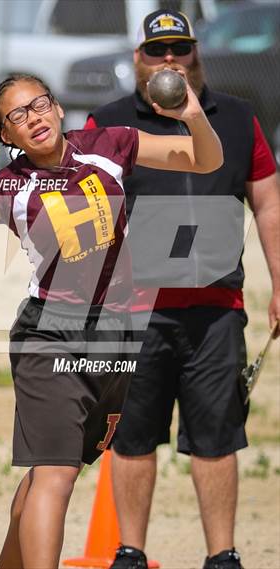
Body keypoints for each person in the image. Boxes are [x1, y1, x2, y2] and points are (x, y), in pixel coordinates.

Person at [0, 72, 222, 569]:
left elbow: (204, 159)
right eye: (16, 116)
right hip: (51, 334)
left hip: (114, 335)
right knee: (57, 475)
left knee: (49, 472)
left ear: (58, 107)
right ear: (6, 136)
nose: (33, 118)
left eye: (39, 104)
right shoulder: (12, 183)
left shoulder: (108, 144)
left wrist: (192, 115)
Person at [85, 9, 280, 569]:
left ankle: (222, 556)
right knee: (133, 435)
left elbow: (267, 202)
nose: (169, 60)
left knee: (217, 437)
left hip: (218, 311)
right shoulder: (112, 121)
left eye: (179, 49)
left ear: (196, 54)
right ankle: (129, 552)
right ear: (138, 59)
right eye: (156, 51)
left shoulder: (239, 119)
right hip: (136, 311)